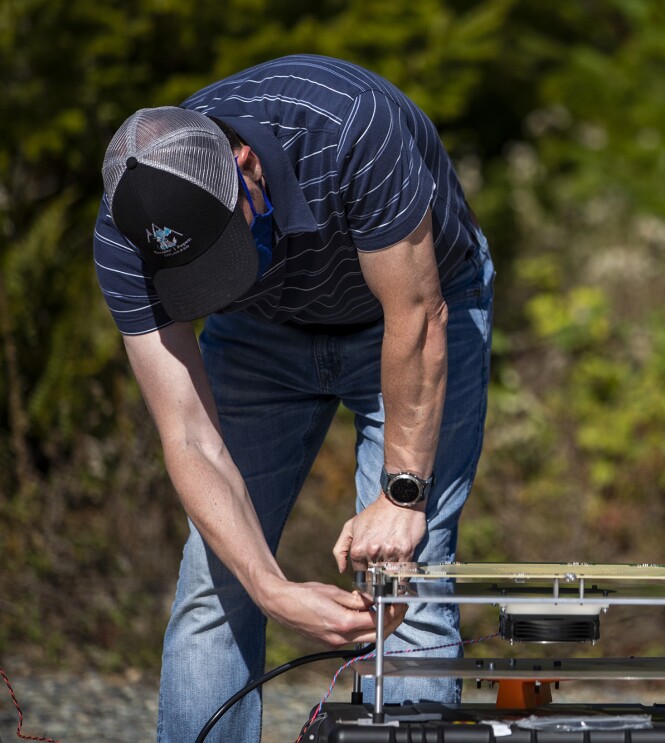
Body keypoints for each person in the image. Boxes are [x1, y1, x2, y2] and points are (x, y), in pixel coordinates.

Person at [92, 55, 495, 743]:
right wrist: (270, 587)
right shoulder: (127, 237)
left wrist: (401, 495)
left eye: (226, 243)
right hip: (258, 339)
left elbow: (418, 316)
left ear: (246, 162)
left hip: (409, 315)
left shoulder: (349, 129)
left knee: (407, 587)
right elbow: (188, 434)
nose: (218, 272)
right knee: (214, 589)